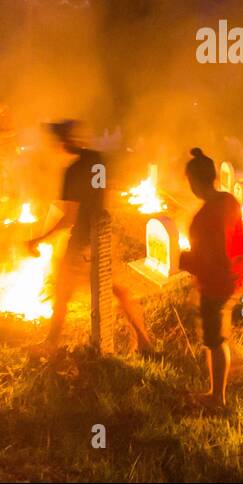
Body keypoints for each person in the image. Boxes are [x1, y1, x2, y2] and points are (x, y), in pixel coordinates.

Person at [28, 120, 154, 355]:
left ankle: (51, 343)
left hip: (81, 241)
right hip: (102, 236)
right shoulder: (98, 160)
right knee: (118, 289)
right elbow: (105, 195)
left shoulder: (73, 171)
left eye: (58, 141)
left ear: (64, 142)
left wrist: (39, 239)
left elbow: (69, 218)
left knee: (62, 292)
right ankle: (144, 340)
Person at [178, 147, 243, 409]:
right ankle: (217, 389)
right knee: (217, 336)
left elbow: (210, 260)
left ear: (195, 182)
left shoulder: (203, 219)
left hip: (218, 284)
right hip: (236, 277)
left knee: (214, 341)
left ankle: (216, 397)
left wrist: (180, 260)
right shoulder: (229, 201)